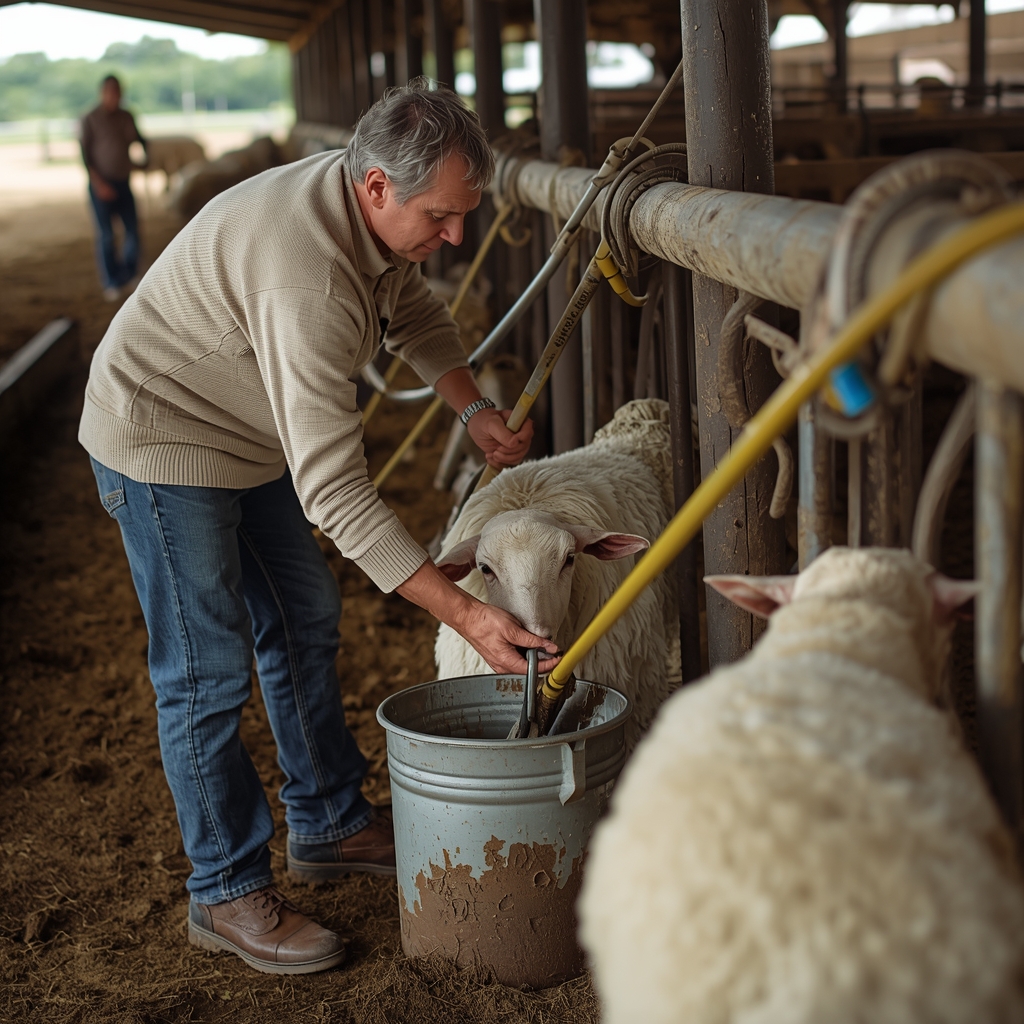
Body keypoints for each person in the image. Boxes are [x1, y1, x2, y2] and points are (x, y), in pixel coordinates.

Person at [78, 80, 558, 977]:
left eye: (465, 213)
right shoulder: (305, 277)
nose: (456, 236)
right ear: (377, 187)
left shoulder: (367, 214)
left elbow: (413, 308)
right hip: (163, 435)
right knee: (206, 670)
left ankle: (329, 820)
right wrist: (464, 612)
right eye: (441, 216)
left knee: (305, 614)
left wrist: (472, 407)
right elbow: (335, 492)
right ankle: (224, 886)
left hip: (247, 429)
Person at [80, 74, 145, 302]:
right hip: (101, 185)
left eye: (118, 92)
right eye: (110, 92)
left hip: (123, 181)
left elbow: (140, 140)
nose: (115, 97)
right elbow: (85, 156)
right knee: (107, 235)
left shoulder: (126, 116)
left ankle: (129, 274)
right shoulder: (90, 118)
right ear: (102, 93)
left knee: (132, 231)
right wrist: (99, 184)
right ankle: (111, 281)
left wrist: (143, 160)